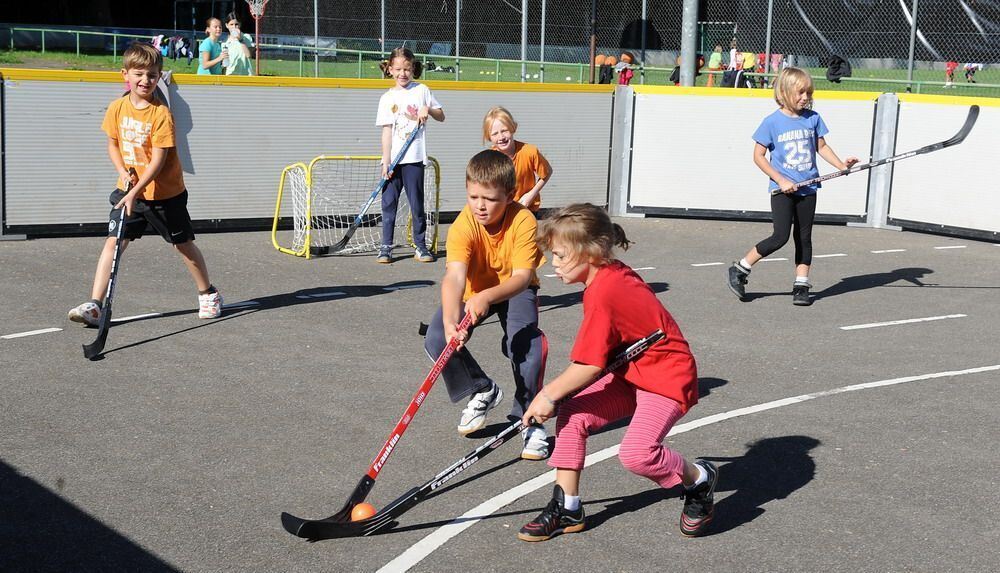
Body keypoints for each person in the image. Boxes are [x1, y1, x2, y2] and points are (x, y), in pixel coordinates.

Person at [517, 203, 716, 541]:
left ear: (592, 253)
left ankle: (698, 479)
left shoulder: (606, 290)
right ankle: (567, 506)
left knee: (638, 455)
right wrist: (557, 396)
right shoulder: (604, 277)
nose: (554, 264)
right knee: (574, 411)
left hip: (666, 379)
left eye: (561, 256)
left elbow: (590, 364)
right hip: (632, 372)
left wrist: (546, 394)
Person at [68, 43, 221, 327]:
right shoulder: (117, 108)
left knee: (182, 245)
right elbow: (113, 144)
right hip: (129, 192)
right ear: (125, 74)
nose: (145, 80)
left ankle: (208, 293)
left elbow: (158, 162)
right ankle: (95, 304)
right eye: (139, 74)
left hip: (165, 195)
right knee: (113, 244)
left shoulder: (161, 115)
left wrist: (135, 192)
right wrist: (122, 174)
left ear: (159, 76)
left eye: (152, 75)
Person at [423, 149, 549, 460]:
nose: (480, 206)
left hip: (514, 289)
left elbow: (521, 277)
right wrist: (453, 320)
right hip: (475, 289)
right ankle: (481, 388)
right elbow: (454, 277)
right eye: (473, 196)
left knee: (527, 346)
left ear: (509, 195)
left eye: (489, 199)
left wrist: (488, 296)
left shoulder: (523, 220)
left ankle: (528, 419)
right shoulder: (464, 225)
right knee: (438, 337)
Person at [727, 67, 858, 306]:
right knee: (780, 237)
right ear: (785, 92)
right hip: (782, 191)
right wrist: (781, 179)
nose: (805, 97)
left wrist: (841, 165)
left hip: (808, 189)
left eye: (808, 92)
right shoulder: (772, 122)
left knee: (804, 237)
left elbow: (822, 147)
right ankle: (740, 269)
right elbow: (758, 156)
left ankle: (801, 285)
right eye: (800, 93)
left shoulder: (813, 118)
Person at [375, 47, 444, 263]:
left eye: (406, 68)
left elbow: (441, 116)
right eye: (398, 69)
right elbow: (387, 131)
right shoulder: (387, 98)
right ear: (390, 70)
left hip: (414, 158)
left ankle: (421, 246)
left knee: (416, 204)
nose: (402, 73)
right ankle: (385, 247)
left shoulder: (422, 90)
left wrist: (428, 110)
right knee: (389, 203)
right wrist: (386, 160)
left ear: (413, 68)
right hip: (394, 160)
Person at [482, 106, 553, 214]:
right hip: (501, 211)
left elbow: (547, 172)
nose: (501, 137)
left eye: (504, 131)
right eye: (495, 134)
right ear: (489, 137)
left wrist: (531, 194)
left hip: (526, 209)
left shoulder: (529, 151)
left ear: (513, 128)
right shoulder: (489, 158)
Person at [222, 12, 255, 76]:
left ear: (240, 24)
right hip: (230, 75)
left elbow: (249, 55)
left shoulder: (246, 37)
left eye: (236, 24)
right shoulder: (224, 41)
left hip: (246, 75)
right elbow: (225, 62)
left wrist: (240, 39)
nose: (234, 27)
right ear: (227, 25)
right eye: (231, 24)